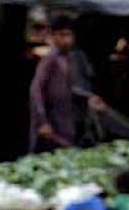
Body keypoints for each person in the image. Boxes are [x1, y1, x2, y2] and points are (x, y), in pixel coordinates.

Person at [27, 20, 95, 151]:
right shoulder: (49, 59)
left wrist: (89, 97)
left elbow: (75, 87)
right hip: (52, 118)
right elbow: (36, 91)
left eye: (69, 35)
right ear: (54, 37)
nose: (67, 40)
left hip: (70, 117)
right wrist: (42, 122)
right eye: (63, 35)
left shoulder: (74, 58)